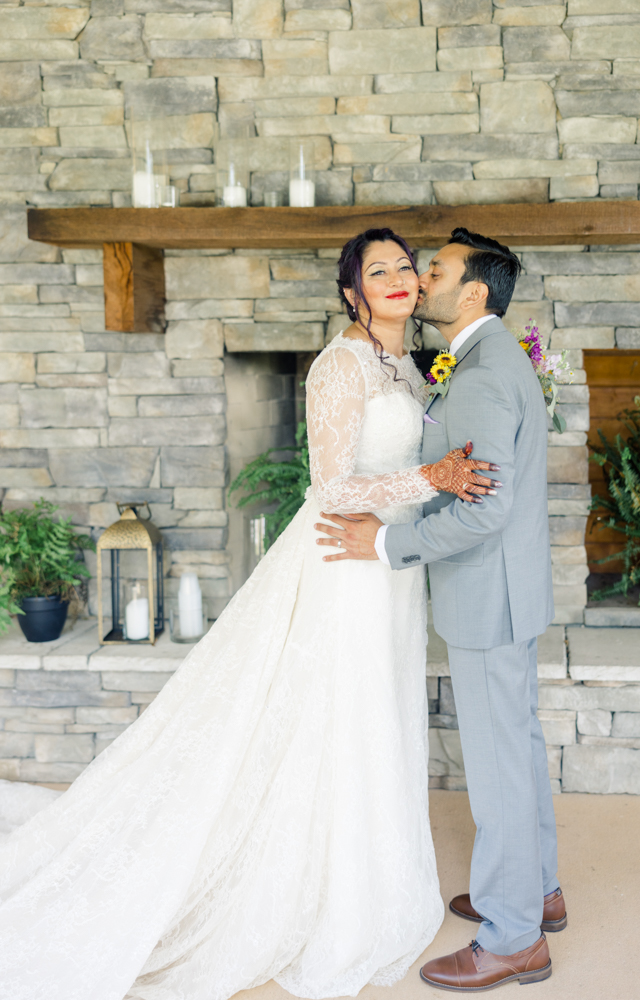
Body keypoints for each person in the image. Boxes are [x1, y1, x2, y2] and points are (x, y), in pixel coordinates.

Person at [0, 228, 500, 1000]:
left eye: (405, 265)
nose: (399, 278)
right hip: (344, 563)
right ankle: (327, 894)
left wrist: (440, 477)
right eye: (378, 271)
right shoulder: (339, 367)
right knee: (339, 716)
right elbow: (330, 488)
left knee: (375, 714)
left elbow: (405, 467)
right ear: (351, 292)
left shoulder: (404, 362)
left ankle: (367, 872)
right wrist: (429, 475)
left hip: (391, 563)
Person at [315, 228, 565, 993]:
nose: (421, 281)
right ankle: (537, 892)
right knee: (514, 751)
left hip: (487, 595)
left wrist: (386, 550)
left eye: (436, 270)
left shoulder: (486, 372)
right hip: (503, 593)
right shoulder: (486, 359)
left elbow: (483, 511)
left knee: (496, 770)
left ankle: (512, 933)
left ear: (474, 293)